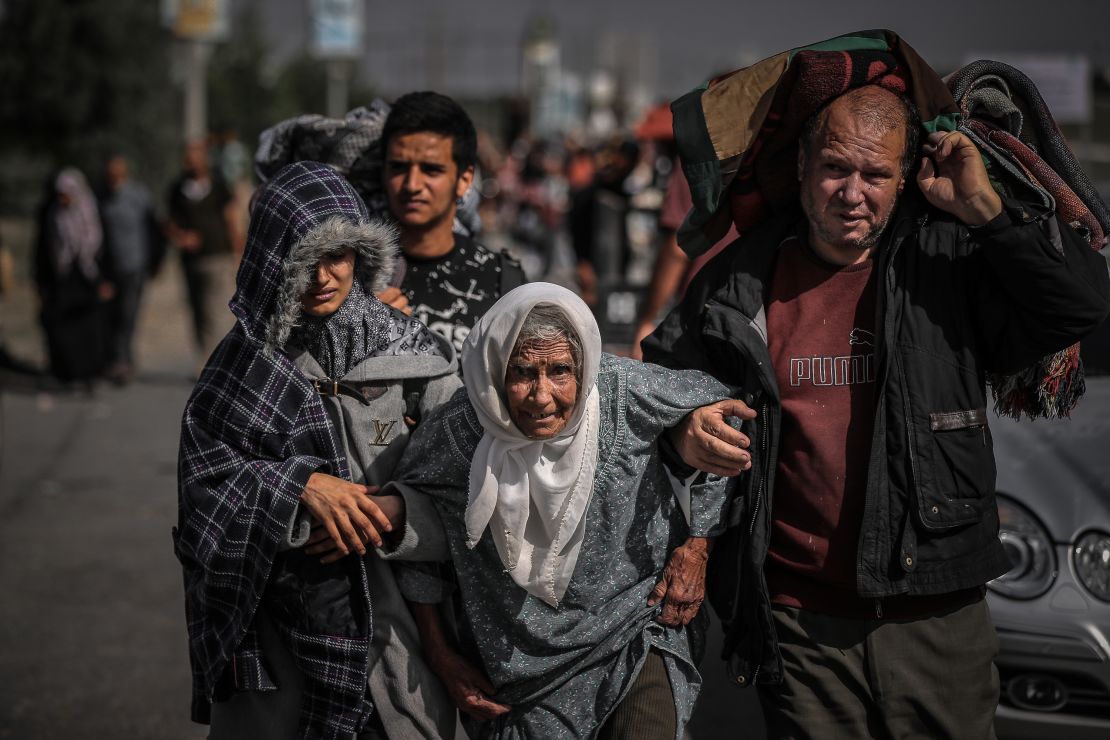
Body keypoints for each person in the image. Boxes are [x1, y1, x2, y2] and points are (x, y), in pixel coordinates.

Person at [643, 83, 1110, 739]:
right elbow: (659, 389)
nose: (852, 192)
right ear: (802, 166)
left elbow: (1079, 307)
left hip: (937, 618)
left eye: (875, 174)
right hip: (800, 623)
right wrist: (682, 429)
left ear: (906, 177)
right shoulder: (739, 281)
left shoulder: (949, 261)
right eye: (835, 168)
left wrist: (987, 212)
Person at [353, 283, 735, 739]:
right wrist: (441, 655)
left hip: (636, 629)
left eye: (559, 371)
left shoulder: (620, 390)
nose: (541, 396)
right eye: (522, 372)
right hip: (522, 672)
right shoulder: (459, 431)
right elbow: (422, 550)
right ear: (495, 370)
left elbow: (722, 413)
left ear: (583, 366)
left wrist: (697, 546)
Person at [174, 161, 459, 738]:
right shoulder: (239, 366)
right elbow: (201, 498)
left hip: (398, 648)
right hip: (274, 661)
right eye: (303, 259)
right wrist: (298, 490)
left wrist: (392, 515)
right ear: (270, 260)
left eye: (340, 255)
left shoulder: (417, 359)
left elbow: (473, 490)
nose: (324, 276)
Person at [380, 91, 526, 353]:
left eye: (431, 169)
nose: (412, 185)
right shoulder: (354, 276)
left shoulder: (501, 281)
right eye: (399, 167)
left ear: (464, 180)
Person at [33, 168, 111, 388]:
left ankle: (91, 373)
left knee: (90, 328)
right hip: (63, 279)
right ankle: (68, 373)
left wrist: (105, 280)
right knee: (64, 328)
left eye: (67, 194)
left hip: (89, 277)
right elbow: (42, 250)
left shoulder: (93, 212)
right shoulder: (50, 214)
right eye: (60, 194)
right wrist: (41, 282)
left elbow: (105, 249)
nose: (63, 199)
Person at [167, 139, 241, 362]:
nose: (192, 160)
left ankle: (213, 359)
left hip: (216, 255)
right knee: (196, 309)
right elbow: (169, 221)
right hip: (190, 260)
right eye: (188, 155)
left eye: (196, 154)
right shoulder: (177, 188)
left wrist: (238, 250)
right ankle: (203, 354)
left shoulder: (218, 185)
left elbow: (231, 218)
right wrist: (181, 237)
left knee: (213, 309)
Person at [98, 155, 162, 383]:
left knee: (128, 314)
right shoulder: (101, 198)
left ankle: (122, 362)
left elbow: (153, 229)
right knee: (111, 315)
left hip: (135, 266)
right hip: (109, 268)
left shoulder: (139, 196)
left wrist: (155, 262)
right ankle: (117, 358)